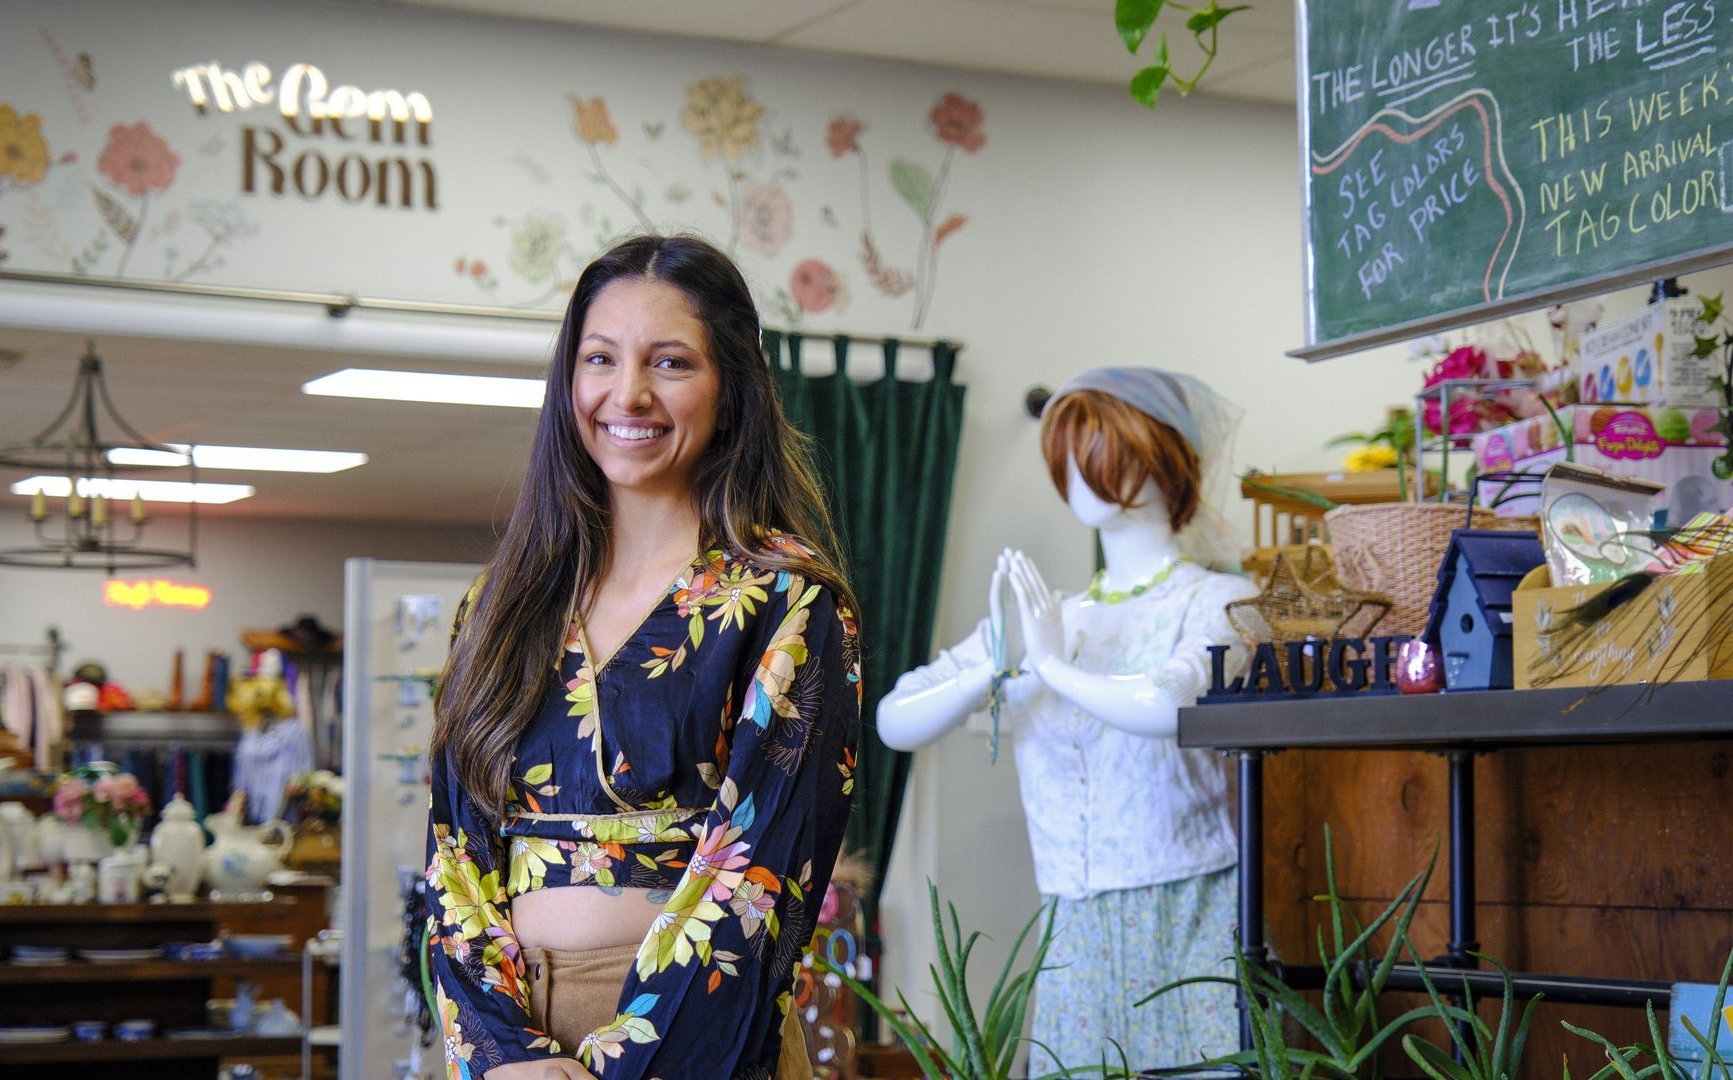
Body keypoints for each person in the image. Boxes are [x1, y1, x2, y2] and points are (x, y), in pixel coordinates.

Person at [423, 234, 862, 1080]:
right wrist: (502, 1056)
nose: (628, 393)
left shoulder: (785, 598)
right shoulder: (501, 603)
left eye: (669, 363)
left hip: (700, 1042)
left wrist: (623, 1065)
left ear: (729, 388)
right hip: (511, 1046)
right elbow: (454, 853)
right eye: (600, 359)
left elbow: (761, 877)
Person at [876, 368, 1256, 1071]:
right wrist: (990, 669)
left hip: (1189, 911)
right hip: (1072, 929)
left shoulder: (1221, 601)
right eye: (1070, 453)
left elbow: (1170, 705)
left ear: (1164, 458)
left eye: (1105, 449)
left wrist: (1052, 670)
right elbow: (895, 719)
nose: (1082, 474)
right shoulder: (1053, 617)